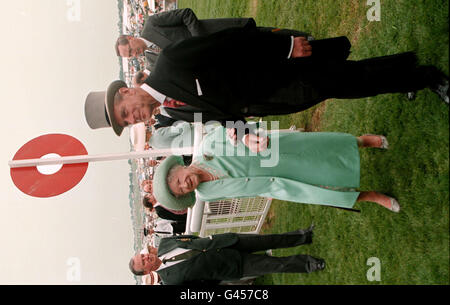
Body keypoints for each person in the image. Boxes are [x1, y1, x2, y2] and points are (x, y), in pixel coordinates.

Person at [85, 27, 448, 139]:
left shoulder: (170, 62)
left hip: (284, 71)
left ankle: (429, 77)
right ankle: (409, 73)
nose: (133, 117)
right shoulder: (172, 111)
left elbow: (231, 42)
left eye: (124, 111)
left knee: (353, 82)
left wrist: (285, 46)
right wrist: (244, 133)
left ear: (126, 91)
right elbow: (220, 114)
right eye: (127, 122)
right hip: (280, 99)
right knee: (351, 83)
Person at [152, 126, 400, 213]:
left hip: (275, 153)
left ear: (179, 169)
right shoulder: (204, 194)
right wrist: (263, 192)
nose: (185, 186)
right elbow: (236, 191)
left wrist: (245, 134)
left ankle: (362, 141)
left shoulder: (207, 145)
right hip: (276, 184)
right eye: (181, 190)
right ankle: (371, 196)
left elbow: (236, 126)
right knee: (324, 191)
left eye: (179, 181)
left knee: (323, 148)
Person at [115, 8, 311, 70]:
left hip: (219, 34)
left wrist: (199, 43)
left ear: (131, 38)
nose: (135, 54)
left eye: (131, 50)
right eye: (131, 56)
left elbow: (186, 14)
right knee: (260, 57)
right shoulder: (152, 62)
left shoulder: (152, 24)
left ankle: (305, 38)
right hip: (218, 58)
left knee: (264, 36)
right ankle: (299, 59)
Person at [129, 226, 325, 285]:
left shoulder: (164, 243)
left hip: (227, 241)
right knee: (274, 265)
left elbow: (191, 238)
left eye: (143, 255)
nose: (147, 257)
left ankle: (303, 236)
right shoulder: (171, 282)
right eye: (143, 262)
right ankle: (310, 264)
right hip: (230, 267)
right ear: (146, 271)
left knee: (269, 239)